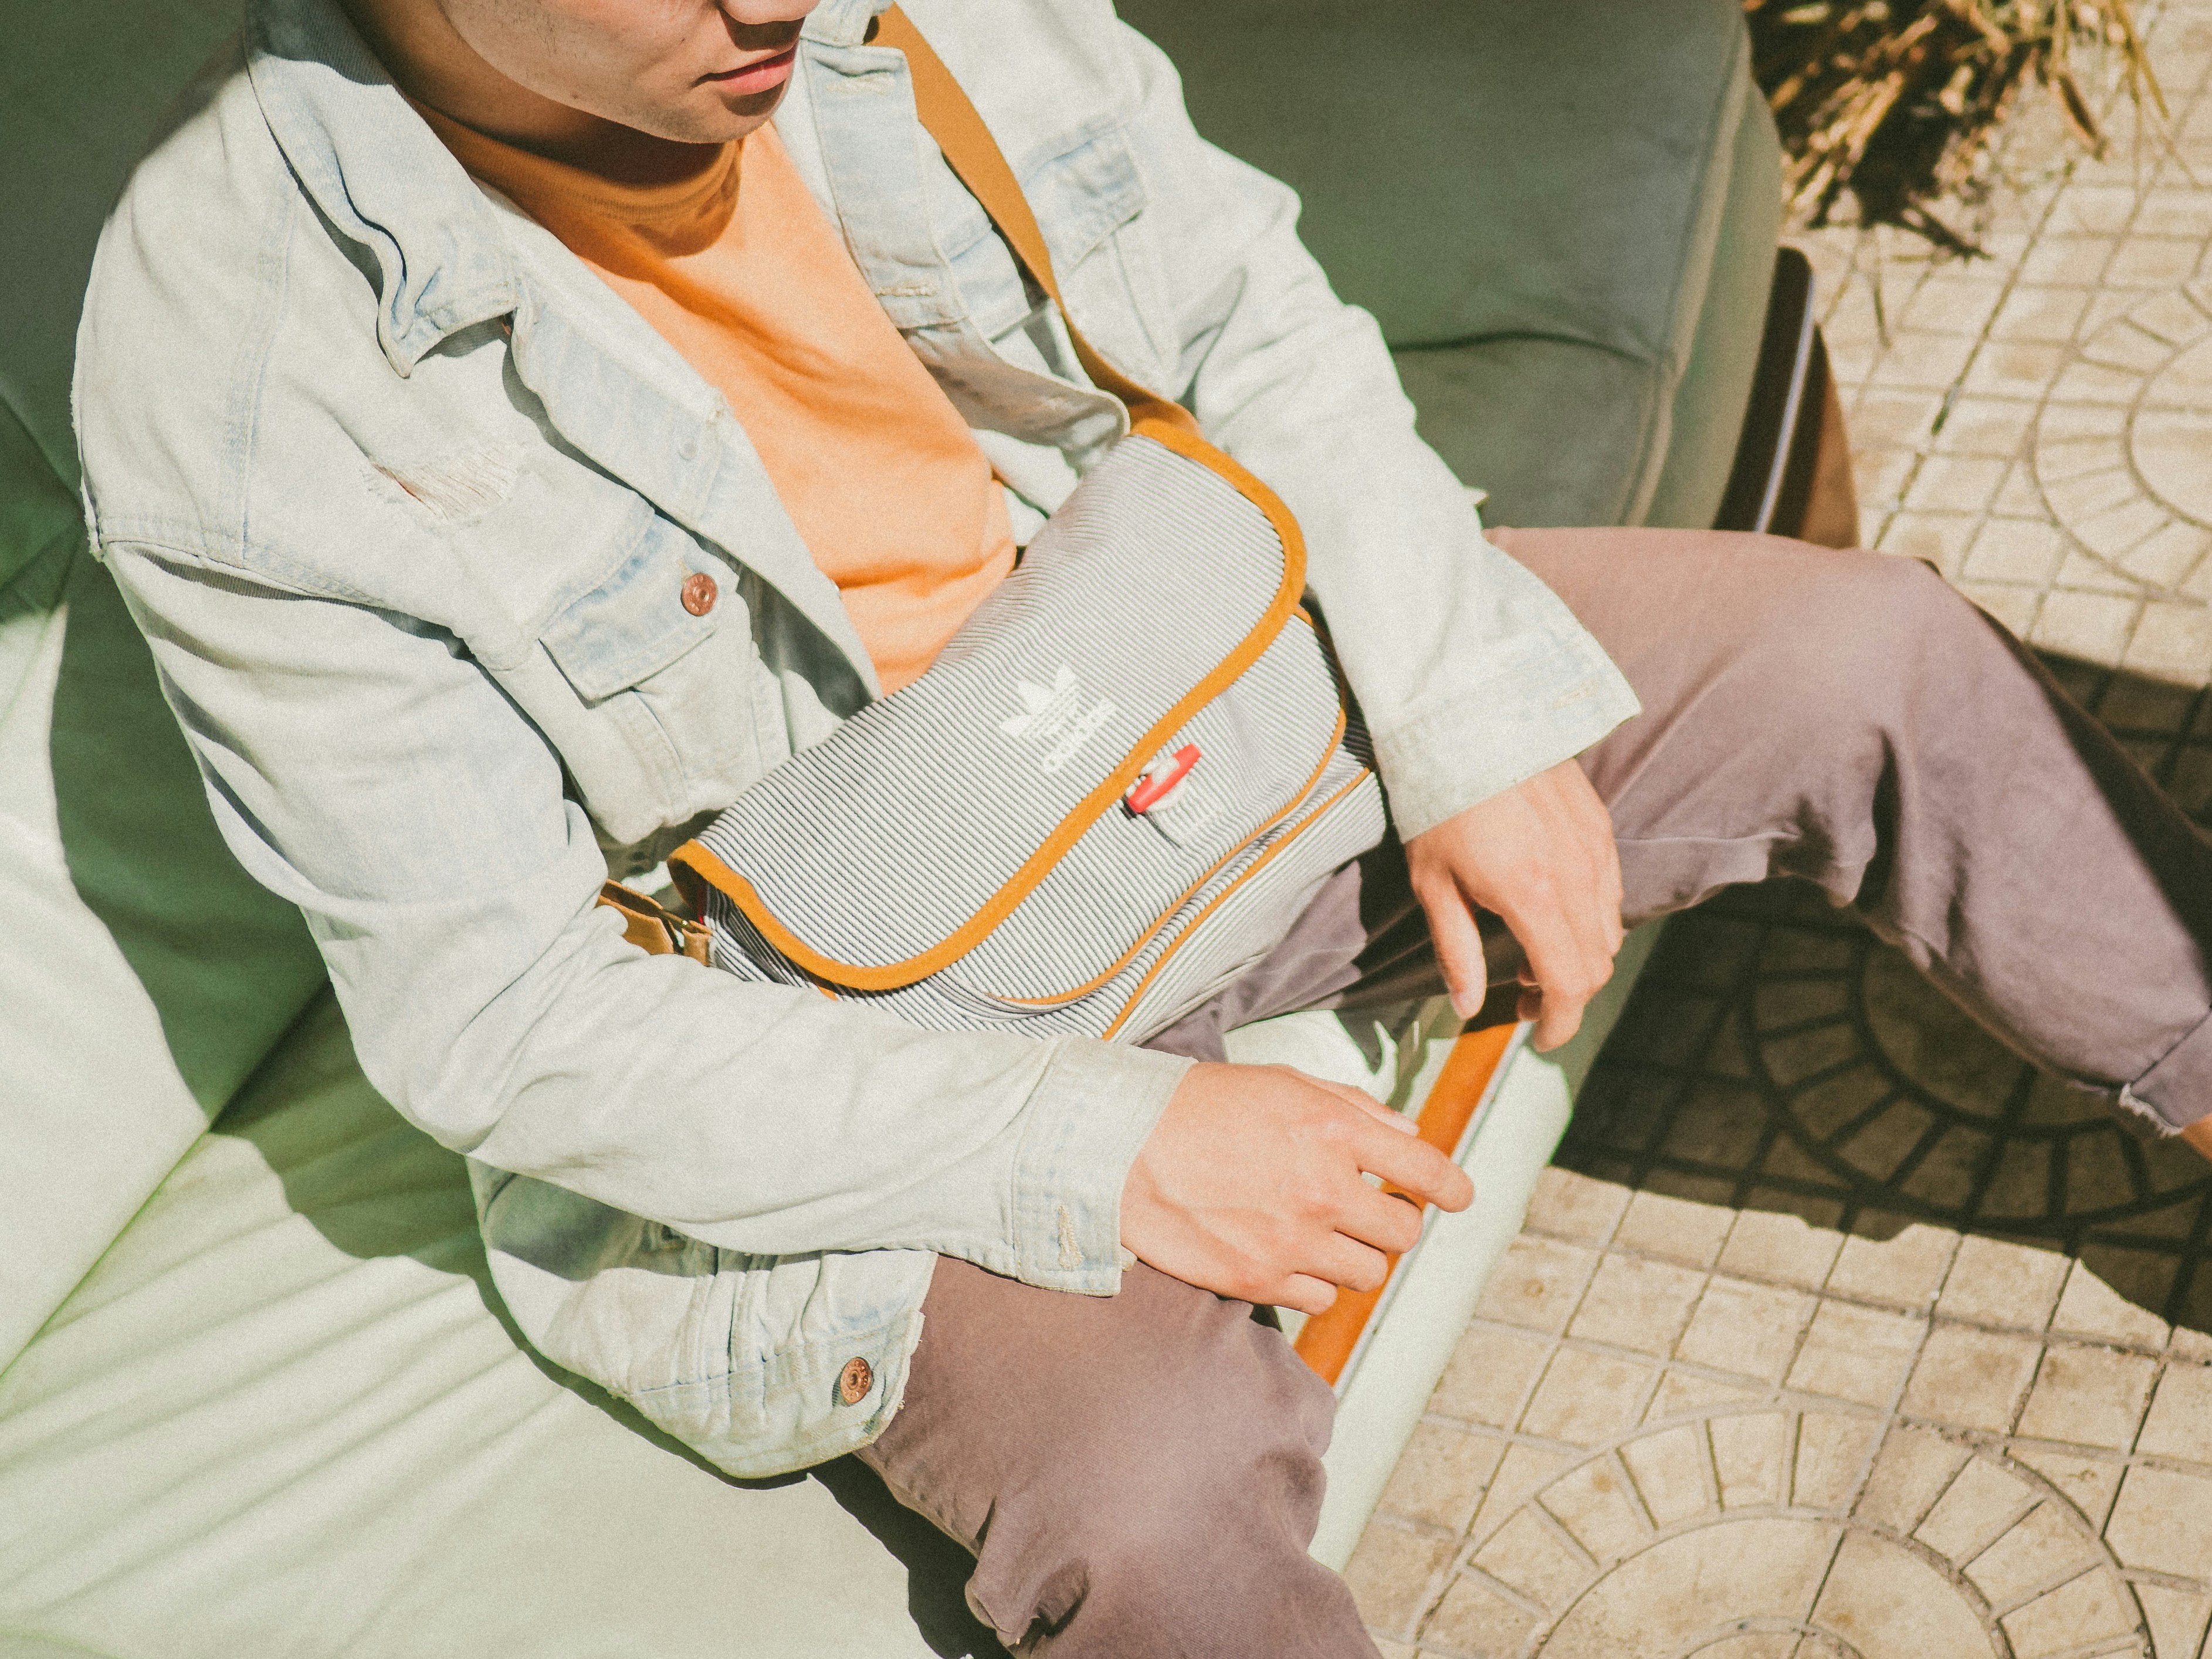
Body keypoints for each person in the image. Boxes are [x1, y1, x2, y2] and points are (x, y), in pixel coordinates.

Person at [75, 0, 2212, 1651]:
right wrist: (1112, 1149)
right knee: (1151, 1479)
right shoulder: (234, 362)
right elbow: (502, 1021)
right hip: (844, 1024)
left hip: (1202, 705)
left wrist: (1465, 719)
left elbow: (1241, 313)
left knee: (1876, 658)